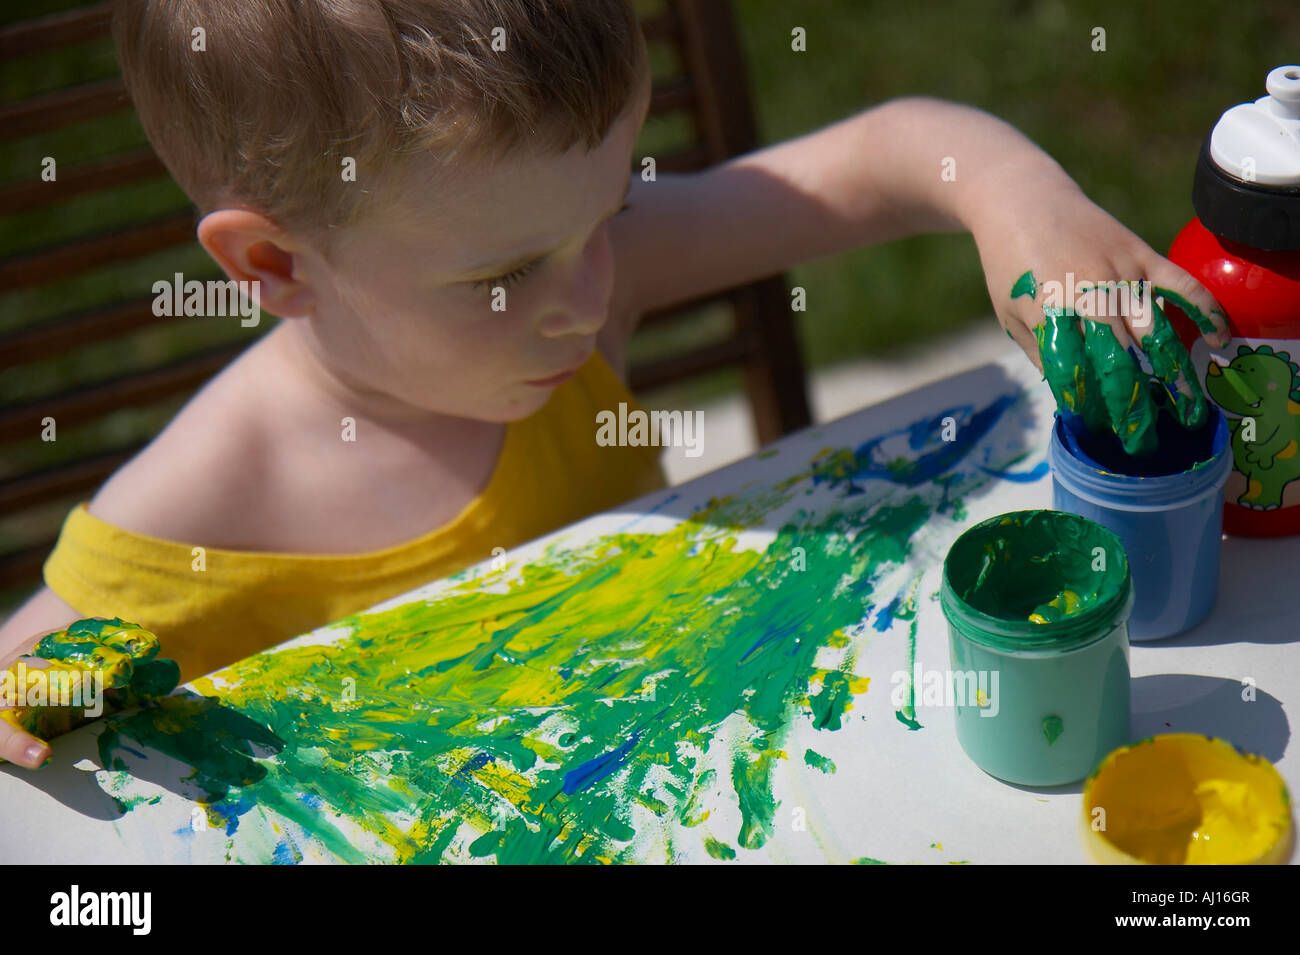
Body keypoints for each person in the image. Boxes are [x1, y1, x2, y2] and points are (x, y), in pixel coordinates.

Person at [0, 0, 1229, 768]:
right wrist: (54, 695)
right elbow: (21, 691)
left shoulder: (587, 274)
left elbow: (902, 148)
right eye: (508, 270)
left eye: (612, 208)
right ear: (272, 265)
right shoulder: (202, 511)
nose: (589, 296)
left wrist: (1017, 205)